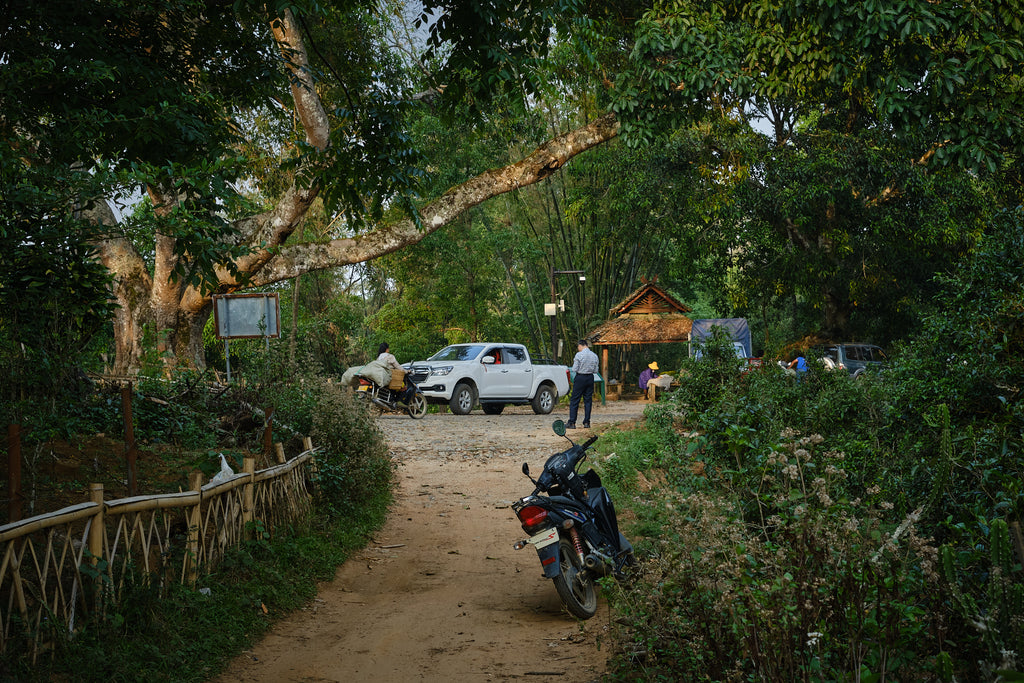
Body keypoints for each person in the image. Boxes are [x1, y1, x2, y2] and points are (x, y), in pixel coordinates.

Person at [567, 339, 599, 429]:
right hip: (590, 378)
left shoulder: (579, 355)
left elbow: (574, 369)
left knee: (575, 400)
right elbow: (596, 370)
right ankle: (587, 422)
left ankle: (572, 422)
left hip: (580, 377)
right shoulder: (594, 355)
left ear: (580, 345)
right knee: (588, 400)